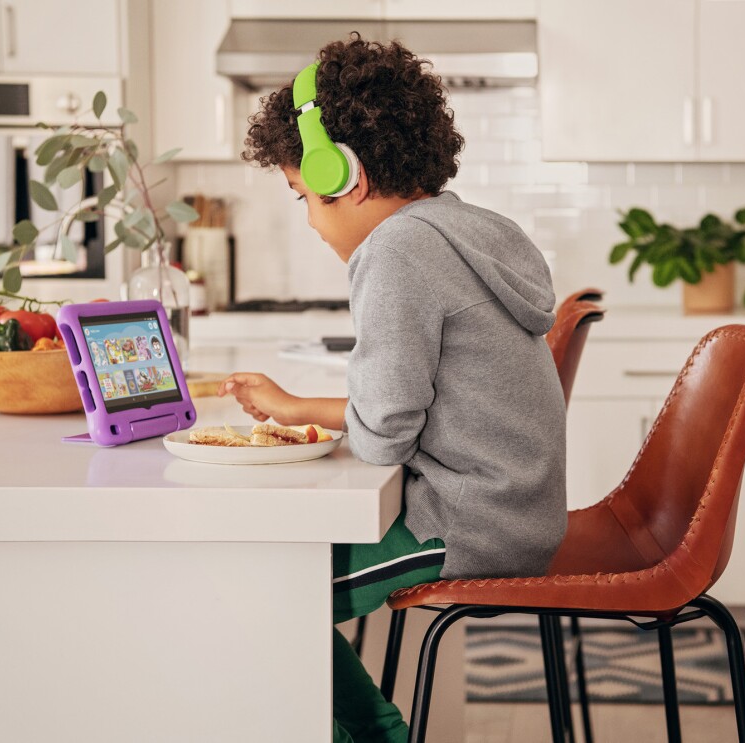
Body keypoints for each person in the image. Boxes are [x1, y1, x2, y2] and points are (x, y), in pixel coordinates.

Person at [217, 33, 566, 743]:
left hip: (464, 526)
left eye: (300, 196)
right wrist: (298, 408)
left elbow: (382, 437)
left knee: (255, 586)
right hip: (511, 508)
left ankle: (373, 735)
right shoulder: (464, 226)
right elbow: (405, 410)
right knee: (261, 578)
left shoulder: (397, 250)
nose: (311, 221)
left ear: (343, 174)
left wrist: (323, 416)